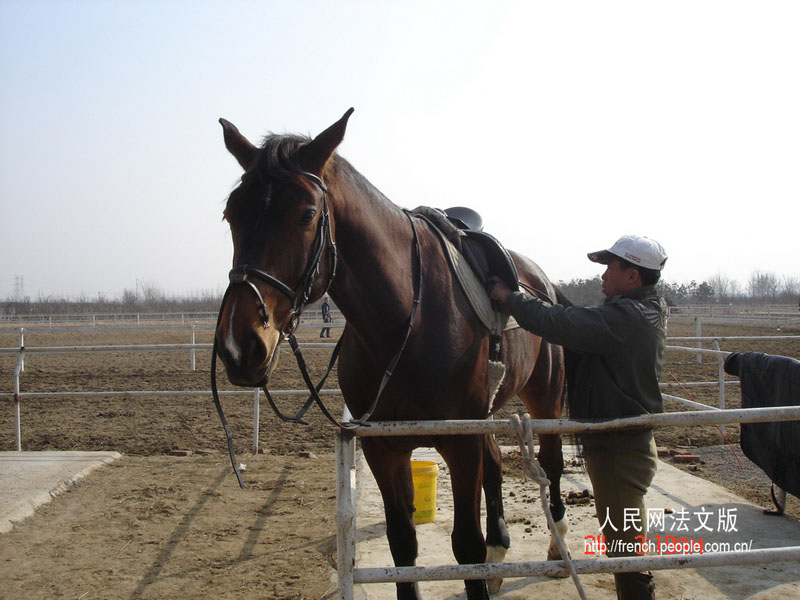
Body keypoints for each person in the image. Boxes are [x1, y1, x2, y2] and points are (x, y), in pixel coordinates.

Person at [488, 234, 668, 600]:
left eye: (610, 267)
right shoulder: (641, 310)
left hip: (620, 449)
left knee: (625, 547)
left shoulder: (626, 318)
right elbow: (579, 319)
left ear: (632, 277)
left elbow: (561, 323)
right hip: (620, 444)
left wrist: (511, 298)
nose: (603, 276)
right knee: (623, 537)